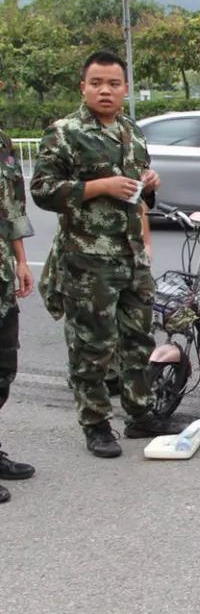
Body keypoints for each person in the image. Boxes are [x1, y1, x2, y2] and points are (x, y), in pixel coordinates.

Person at [31, 50, 184, 459]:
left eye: (113, 84)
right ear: (83, 87)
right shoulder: (63, 132)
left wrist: (150, 182)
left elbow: (140, 193)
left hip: (132, 256)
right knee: (92, 346)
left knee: (137, 340)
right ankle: (96, 424)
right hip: (87, 260)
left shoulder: (132, 131)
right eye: (96, 83)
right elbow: (42, 191)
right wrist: (98, 186)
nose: (105, 90)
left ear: (125, 89)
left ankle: (139, 414)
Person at [0, 128, 35, 502]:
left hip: (1, 271)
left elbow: (11, 208)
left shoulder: (3, 141)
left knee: (3, 368)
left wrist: (21, 261)